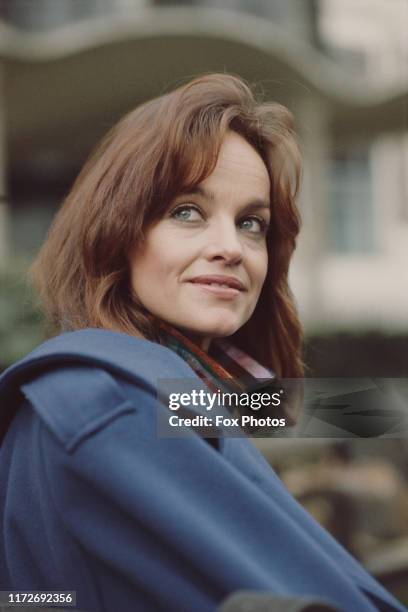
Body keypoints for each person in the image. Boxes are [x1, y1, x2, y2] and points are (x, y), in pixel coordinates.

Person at [0, 74, 404, 612]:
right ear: (115, 233)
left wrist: (381, 412)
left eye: (252, 223)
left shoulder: (181, 381)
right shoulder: (110, 402)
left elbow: (284, 409)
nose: (231, 247)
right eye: (186, 211)